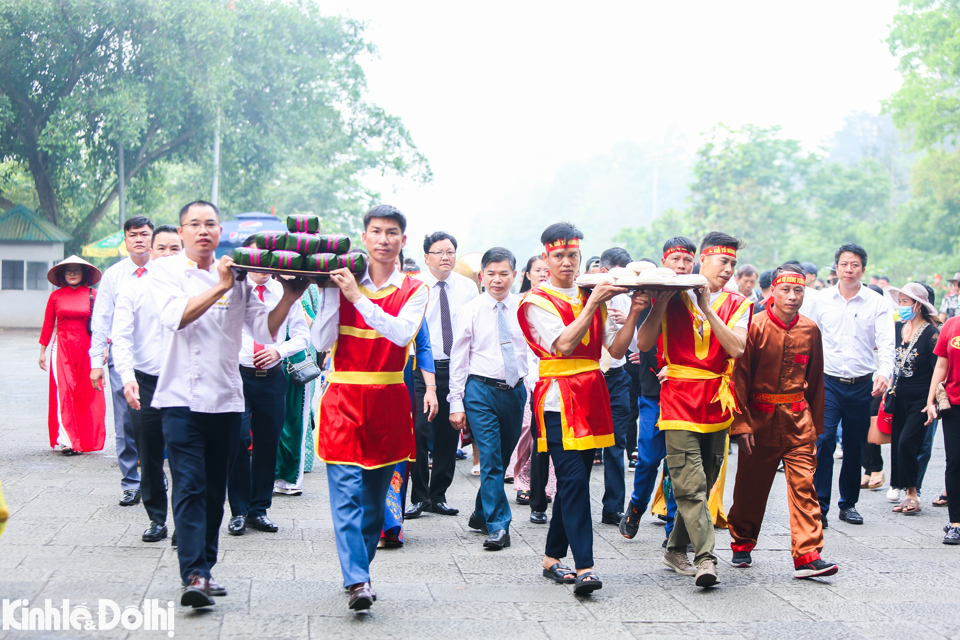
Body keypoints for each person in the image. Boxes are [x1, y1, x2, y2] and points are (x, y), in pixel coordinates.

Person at [150, 200, 306, 608]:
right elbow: (175, 318)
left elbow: (265, 330)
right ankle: (194, 573)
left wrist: (288, 297)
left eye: (211, 224)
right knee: (189, 485)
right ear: (182, 231)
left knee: (214, 489)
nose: (204, 231)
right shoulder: (165, 271)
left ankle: (206, 565)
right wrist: (219, 286)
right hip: (180, 399)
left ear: (221, 232)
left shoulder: (237, 275)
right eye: (195, 224)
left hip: (226, 398)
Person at [311, 204, 428, 611]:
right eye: (376, 232)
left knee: (376, 503)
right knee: (345, 494)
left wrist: (356, 296)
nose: (383, 239)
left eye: (391, 232)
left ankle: (359, 567)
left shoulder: (415, 288)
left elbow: (399, 335)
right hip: (343, 398)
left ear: (402, 239)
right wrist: (331, 295)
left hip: (389, 401)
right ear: (364, 238)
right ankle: (357, 580)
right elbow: (322, 340)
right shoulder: (342, 283)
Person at [518, 222, 643, 596]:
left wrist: (635, 311)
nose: (568, 263)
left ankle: (552, 559)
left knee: (577, 480)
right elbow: (565, 345)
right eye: (559, 256)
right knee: (573, 481)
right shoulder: (536, 301)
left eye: (573, 255)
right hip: (557, 399)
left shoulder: (592, 295)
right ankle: (586, 566)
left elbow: (616, 351)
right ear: (546, 258)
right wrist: (593, 302)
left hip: (592, 394)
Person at [633, 231, 752, 588]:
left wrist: (707, 308)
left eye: (733, 263)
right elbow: (644, 343)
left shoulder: (739, 304)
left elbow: (737, 349)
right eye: (723, 261)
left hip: (717, 401)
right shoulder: (673, 296)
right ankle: (706, 558)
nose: (729, 269)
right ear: (703, 260)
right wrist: (660, 304)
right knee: (689, 484)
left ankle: (674, 548)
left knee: (707, 480)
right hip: (678, 399)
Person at [727, 265, 837, 578]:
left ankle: (807, 554)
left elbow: (816, 381)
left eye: (798, 291)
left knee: (805, 486)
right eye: (786, 290)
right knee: (751, 486)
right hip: (758, 420)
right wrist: (741, 424)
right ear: (772, 291)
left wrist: (817, 426)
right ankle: (742, 543)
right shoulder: (754, 326)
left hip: (799, 421)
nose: (792, 296)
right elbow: (740, 378)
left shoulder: (810, 330)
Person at [226, 236, 311, 536]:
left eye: (265, 258)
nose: (259, 264)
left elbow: (302, 336)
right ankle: (237, 510)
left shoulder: (286, 292)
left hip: (273, 377)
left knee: (267, 442)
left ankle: (258, 510)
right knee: (237, 440)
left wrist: (279, 350)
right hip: (237, 376)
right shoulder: (232, 288)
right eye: (253, 257)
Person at [808, 243, 894, 527]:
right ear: (836, 267)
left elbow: (886, 343)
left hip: (862, 384)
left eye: (854, 264)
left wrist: (885, 372)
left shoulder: (876, 302)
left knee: (856, 445)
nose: (848, 269)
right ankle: (820, 504)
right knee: (824, 440)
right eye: (844, 264)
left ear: (863, 269)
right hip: (828, 382)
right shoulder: (821, 300)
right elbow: (808, 337)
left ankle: (849, 504)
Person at [448, 248, 528, 550]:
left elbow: (530, 353)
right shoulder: (470, 310)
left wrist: (531, 389)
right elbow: (459, 358)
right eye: (491, 274)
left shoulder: (524, 308)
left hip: (515, 391)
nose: (497, 280)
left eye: (504, 273)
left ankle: (481, 514)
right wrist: (456, 403)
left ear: (514, 275)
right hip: (480, 390)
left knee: (503, 458)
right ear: (482, 277)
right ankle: (498, 526)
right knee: (492, 458)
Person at [620, 236, 696, 543]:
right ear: (664, 261)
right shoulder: (648, 294)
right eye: (675, 260)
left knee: (678, 463)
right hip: (653, 390)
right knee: (650, 458)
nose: (680, 266)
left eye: (687, 260)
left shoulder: (696, 297)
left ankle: (672, 531)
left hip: (686, 393)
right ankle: (637, 504)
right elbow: (643, 345)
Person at [111, 225, 182, 543]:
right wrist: (126, 378)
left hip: (182, 383)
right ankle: (156, 518)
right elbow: (121, 337)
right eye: (161, 248)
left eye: (174, 249)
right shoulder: (133, 289)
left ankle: (185, 522)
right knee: (149, 455)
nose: (167, 255)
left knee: (184, 457)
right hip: (145, 384)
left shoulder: (194, 288)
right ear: (150, 252)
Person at [405, 231, 478, 519]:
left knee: (450, 433)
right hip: (421, 369)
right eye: (439, 252)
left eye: (450, 251)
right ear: (426, 257)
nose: (445, 257)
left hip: (456, 368)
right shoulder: (415, 287)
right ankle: (419, 496)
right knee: (421, 431)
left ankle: (438, 496)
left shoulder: (467, 288)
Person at [89, 215, 155, 507]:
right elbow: (101, 320)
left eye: (143, 233)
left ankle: (156, 477)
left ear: (152, 237)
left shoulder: (164, 272)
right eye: (132, 235)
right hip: (123, 359)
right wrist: (95, 360)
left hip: (160, 359)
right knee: (126, 422)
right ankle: (130, 482)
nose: (139, 239)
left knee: (162, 421)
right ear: (125, 240)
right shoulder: (114, 276)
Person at [38, 256, 107, 456]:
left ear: (84, 274)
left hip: (87, 350)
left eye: (77, 270)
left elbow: (102, 325)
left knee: (85, 393)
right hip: (61, 348)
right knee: (64, 392)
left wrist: (105, 347)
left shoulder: (93, 295)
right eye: (69, 270)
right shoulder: (56, 297)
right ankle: (66, 440)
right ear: (63, 274)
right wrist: (42, 351)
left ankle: (84, 438)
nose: (72, 273)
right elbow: (48, 324)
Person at [509, 255, 557, 522]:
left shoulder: (560, 300)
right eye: (538, 270)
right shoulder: (522, 302)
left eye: (545, 270)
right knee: (531, 434)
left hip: (558, 378)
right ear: (527, 274)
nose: (543, 274)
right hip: (531, 377)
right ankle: (528, 487)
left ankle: (551, 489)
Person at [885, 282, 940, 515]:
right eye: (900, 302)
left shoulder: (931, 333)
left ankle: (912, 494)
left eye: (905, 302)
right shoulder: (899, 327)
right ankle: (904, 489)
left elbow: (939, 369)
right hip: (899, 396)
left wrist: (931, 402)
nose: (901, 306)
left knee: (909, 442)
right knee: (898, 445)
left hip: (921, 398)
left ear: (917, 305)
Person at [597, 247, 636, 525]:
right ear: (603, 272)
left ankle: (613, 506)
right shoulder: (589, 295)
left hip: (619, 377)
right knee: (581, 446)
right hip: (591, 377)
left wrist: (630, 321)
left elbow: (634, 348)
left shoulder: (633, 300)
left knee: (616, 443)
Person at [274, 283, 323, 497]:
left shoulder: (307, 289)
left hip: (297, 361)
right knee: (270, 422)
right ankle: (270, 473)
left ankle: (291, 476)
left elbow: (316, 326)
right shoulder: (268, 285)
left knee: (296, 418)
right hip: (264, 359)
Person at [925, 309, 960, 543]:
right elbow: (941, 365)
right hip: (955, 405)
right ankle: (956, 522)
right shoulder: (952, 325)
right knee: (955, 461)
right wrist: (930, 400)